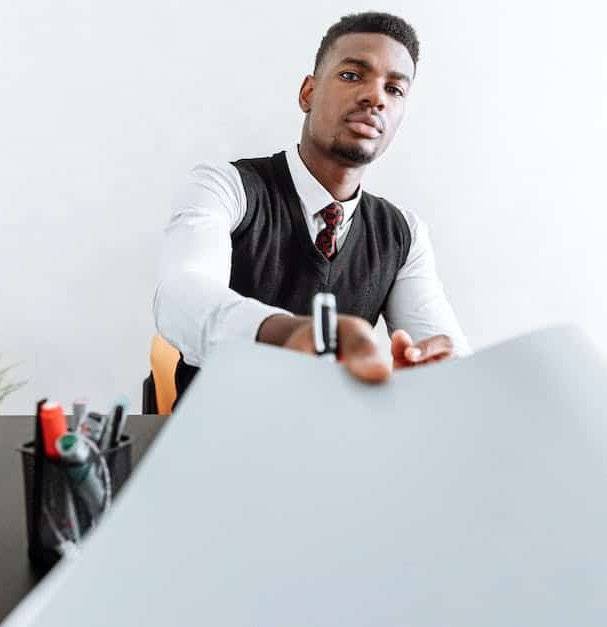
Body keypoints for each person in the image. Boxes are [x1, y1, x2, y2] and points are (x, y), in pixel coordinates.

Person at [154, 11, 471, 402]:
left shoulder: (404, 233)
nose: (375, 97)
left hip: (334, 445)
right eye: (353, 75)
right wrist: (288, 335)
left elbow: (446, 353)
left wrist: (428, 379)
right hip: (218, 437)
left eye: (395, 90)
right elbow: (180, 297)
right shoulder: (224, 186)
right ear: (308, 93)